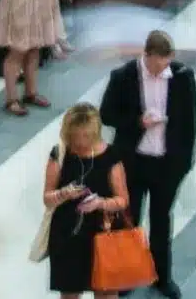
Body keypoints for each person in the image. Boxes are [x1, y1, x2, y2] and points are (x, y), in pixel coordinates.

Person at [99, 31, 196, 299]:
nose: (163, 68)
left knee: (161, 220)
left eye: (167, 62)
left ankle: (161, 276)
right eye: (158, 63)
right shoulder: (123, 77)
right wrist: (137, 122)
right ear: (148, 55)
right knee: (129, 219)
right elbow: (106, 114)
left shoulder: (182, 78)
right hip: (134, 161)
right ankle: (127, 275)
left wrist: (184, 164)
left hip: (166, 164)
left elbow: (190, 125)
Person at [42, 103, 131, 299]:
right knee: (70, 291)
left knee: (106, 291)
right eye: (75, 137)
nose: (80, 143)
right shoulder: (60, 154)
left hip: (104, 232)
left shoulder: (111, 156)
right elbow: (47, 198)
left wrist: (100, 203)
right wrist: (63, 193)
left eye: (86, 136)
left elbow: (123, 200)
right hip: (68, 234)